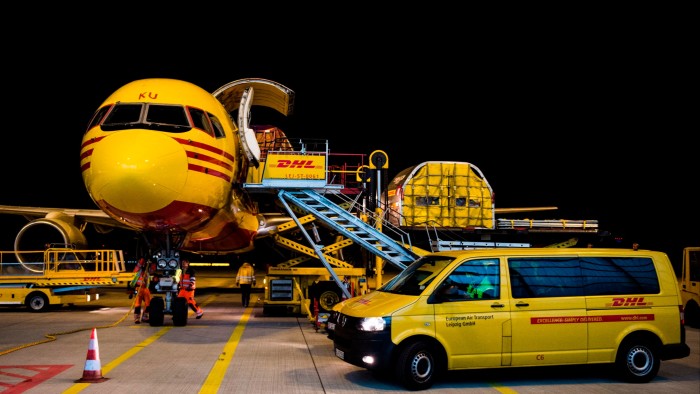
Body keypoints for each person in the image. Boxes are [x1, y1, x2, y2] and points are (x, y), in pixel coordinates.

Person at [131, 258, 152, 324]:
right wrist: (143, 258)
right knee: (137, 304)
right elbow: (139, 265)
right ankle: (137, 318)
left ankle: (145, 317)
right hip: (138, 288)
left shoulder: (147, 271)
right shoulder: (137, 270)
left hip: (145, 288)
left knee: (148, 303)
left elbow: (152, 270)